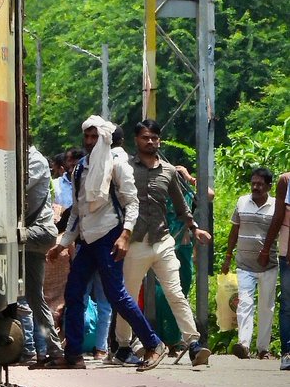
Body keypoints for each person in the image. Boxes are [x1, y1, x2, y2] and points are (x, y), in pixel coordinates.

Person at [48, 116, 166, 370]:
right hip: (87, 241)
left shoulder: (116, 165)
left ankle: (153, 344)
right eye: (87, 137)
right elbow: (78, 211)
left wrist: (125, 235)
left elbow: (132, 203)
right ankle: (74, 354)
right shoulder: (81, 168)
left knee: (117, 295)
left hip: (109, 236)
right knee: (73, 293)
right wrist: (63, 243)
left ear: (105, 138)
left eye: (95, 137)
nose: (91, 141)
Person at [113, 119, 212, 367]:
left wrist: (195, 228)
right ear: (137, 140)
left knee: (175, 293)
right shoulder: (124, 168)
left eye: (154, 138)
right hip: (134, 243)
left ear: (159, 140)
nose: (150, 142)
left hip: (162, 240)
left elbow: (181, 207)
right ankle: (123, 346)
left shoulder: (168, 171)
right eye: (146, 137)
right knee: (129, 296)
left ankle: (193, 343)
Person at [222, 168, 277, 359]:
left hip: (268, 265)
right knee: (245, 303)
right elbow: (234, 231)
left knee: (266, 307)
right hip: (244, 264)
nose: (256, 187)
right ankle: (243, 344)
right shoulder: (242, 202)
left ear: (269, 186)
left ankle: (263, 349)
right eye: (253, 183)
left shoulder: (275, 207)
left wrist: (267, 251)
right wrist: (228, 257)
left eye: (260, 184)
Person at [22, 142, 64, 365]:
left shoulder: (34, 159)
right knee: (34, 298)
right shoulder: (26, 157)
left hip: (38, 232)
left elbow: (18, 187)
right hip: (32, 235)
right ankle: (54, 350)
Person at [257, 169, 290, 369]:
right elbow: (279, 216)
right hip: (287, 251)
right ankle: (287, 351)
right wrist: (267, 247)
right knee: (287, 303)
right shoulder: (286, 180)